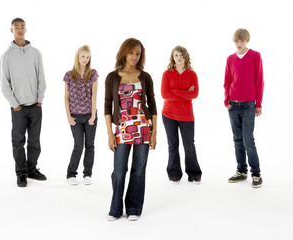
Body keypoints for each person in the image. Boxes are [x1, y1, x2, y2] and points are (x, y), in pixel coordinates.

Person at [104, 38, 157, 221]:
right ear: (124, 52)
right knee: (119, 171)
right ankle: (116, 209)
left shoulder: (145, 76)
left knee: (139, 170)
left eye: (138, 53)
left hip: (143, 128)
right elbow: (107, 107)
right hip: (122, 130)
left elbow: (153, 105)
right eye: (132, 52)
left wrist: (154, 133)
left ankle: (134, 208)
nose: (135, 56)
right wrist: (110, 134)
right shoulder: (112, 77)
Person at [0, 18, 47, 187]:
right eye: (16, 27)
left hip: (35, 106)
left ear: (26, 29)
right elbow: (4, 84)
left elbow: (41, 78)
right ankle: (21, 173)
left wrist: (39, 100)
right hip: (18, 108)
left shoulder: (35, 53)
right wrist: (15, 105)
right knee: (18, 141)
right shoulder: (7, 56)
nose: (20, 30)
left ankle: (31, 169)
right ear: (11, 30)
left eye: (22, 27)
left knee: (35, 141)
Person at [224, 28, 264, 188]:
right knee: (237, 140)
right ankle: (241, 171)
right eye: (236, 41)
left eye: (242, 41)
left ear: (247, 40)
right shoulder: (230, 59)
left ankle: (256, 173)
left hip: (249, 105)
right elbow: (227, 81)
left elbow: (259, 80)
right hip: (233, 105)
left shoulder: (255, 56)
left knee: (248, 139)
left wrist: (258, 103)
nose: (239, 44)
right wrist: (226, 100)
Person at [161, 46, 202, 184]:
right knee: (172, 145)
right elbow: (164, 95)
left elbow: (194, 94)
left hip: (186, 116)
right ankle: (174, 173)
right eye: (176, 55)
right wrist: (184, 93)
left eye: (181, 55)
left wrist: (175, 91)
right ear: (173, 57)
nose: (179, 58)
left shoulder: (192, 74)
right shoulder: (167, 74)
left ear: (186, 57)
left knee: (189, 145)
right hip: (168, 115)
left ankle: (194, 173)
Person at [63, 45, 98, 186]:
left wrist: (93, 116)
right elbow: (66, 97)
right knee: (78, 145)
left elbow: (94, 95)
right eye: (83, 56)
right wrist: (69, 117)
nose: (85, 59)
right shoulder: (69, 75)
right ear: (78, 56)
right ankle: (71, 174)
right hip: (75, 116)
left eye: (88, 57)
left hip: (90, 115)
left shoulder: (93, 74)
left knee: (90, 145)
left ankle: (87, 174)